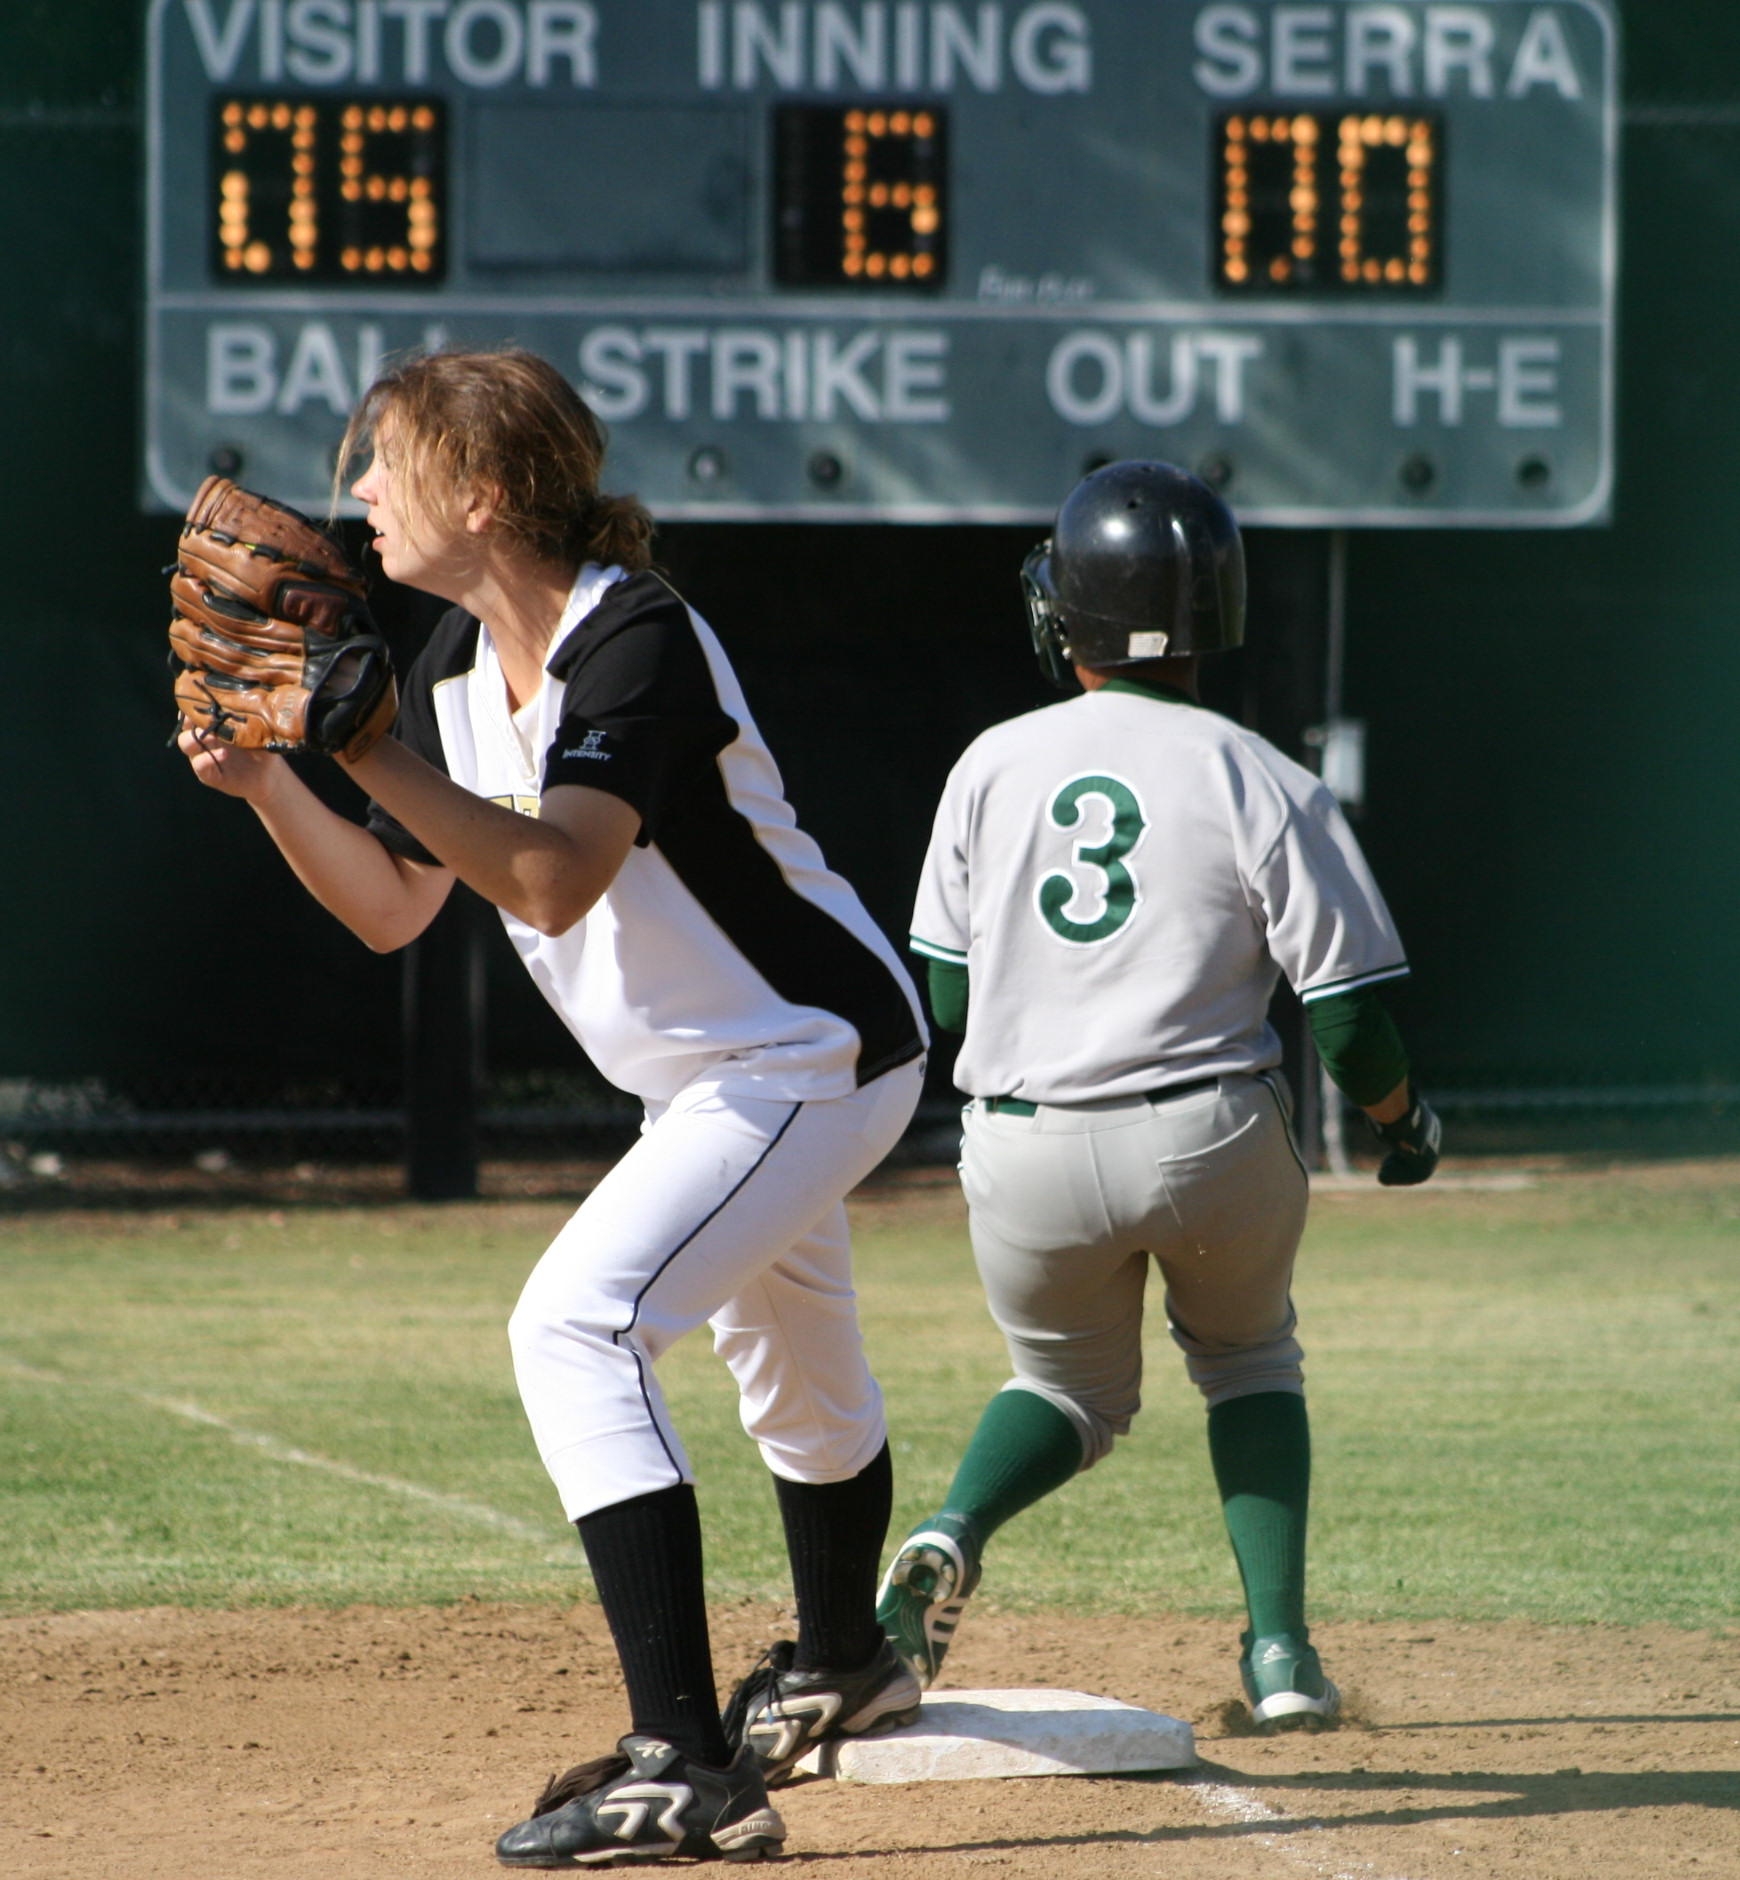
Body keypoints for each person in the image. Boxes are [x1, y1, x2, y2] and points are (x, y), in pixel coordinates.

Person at [177, 347, 929, 1865]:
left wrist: (360, 741)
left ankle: (684, 1759)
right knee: (795, 1373)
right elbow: (398, 903)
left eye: (388, 463)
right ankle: (847, 1660)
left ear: (491, 489)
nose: (360, 498)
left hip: (803, 1051)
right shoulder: (457, 682)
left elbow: (554, 870)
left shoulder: (634, 637)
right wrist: (273, 785)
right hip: (722, 1076)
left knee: (575, 1325)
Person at [876, 460, 1440, 1731]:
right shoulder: (1265, 778)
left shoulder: (991, 763)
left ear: (1066, 614)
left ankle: (951, 1526)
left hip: (1023, 1145)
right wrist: (1406, 1127)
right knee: (1249, 1363)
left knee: (1067, 1385)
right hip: (1207, 1135)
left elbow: (948, 1002)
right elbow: (1347, 1018)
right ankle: (1283, 1656)